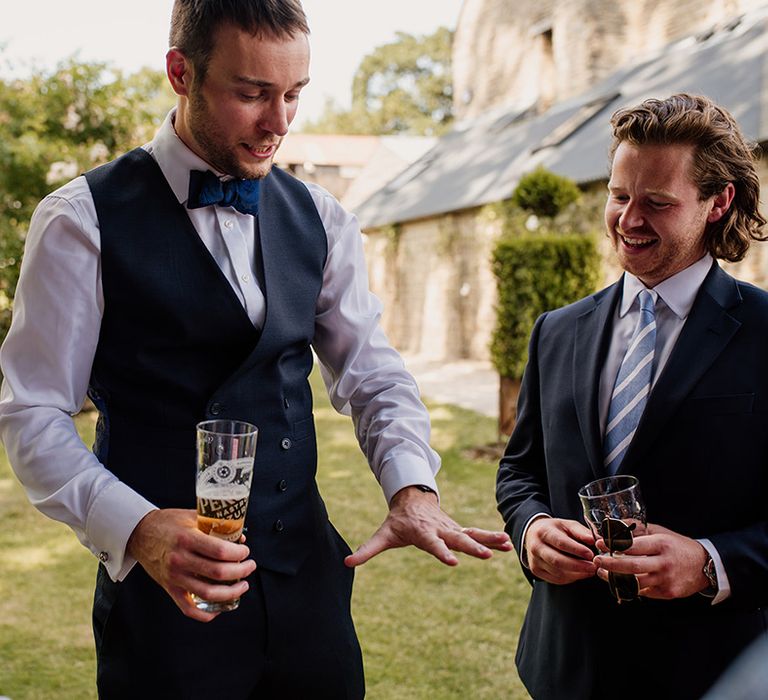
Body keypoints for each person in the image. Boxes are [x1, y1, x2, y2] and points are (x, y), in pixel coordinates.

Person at [0, 1, 511, 698]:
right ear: (181, 72)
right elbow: (31, 413)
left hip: (311, 592)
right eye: (251, 94)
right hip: (167, 606)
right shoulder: (79, 220)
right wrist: (141, 529)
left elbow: (373, 374)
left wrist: (412, 487)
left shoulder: (324, 218)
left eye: (294, 94)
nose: (280, 123)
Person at [496, 93, 768, 700]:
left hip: (712, 673)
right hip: (563, 668)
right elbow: (519, 471)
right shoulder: (557, 330)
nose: (628, 220)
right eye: (619, 196)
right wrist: (532, 528)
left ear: (718, 203)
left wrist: (708, 563)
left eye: (658, 203)